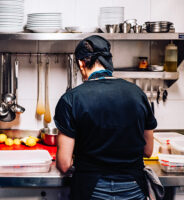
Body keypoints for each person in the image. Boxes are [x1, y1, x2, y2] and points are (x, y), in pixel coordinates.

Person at [54, 35, 157, 200]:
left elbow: (64, 165)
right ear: (108, 61)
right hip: (134, 188)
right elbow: (148, 150)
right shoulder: (138, 94)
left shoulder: (72, 99)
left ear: (81, 63)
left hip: (91, 189)